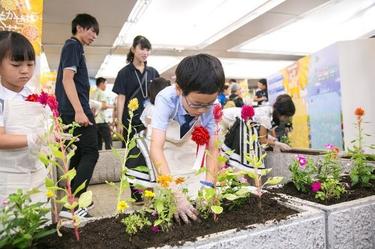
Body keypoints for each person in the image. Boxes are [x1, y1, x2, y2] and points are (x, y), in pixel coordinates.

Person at [150, 54, 225, 224]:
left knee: (195, 186)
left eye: (209, 104)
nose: (202, 110)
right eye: (196, 104)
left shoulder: (211, 107)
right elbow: (156, 148)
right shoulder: (166, 99)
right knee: (168, 196)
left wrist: (209, 189)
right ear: (179, 89)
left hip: (187, 141)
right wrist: (176, 194)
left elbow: (213, 149)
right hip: (165, 145)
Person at [55, 13, 99, 219]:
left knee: (81, 154)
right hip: (75, 110)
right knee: (91, 152)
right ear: (80, 27)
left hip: (74, 108)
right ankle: (74, 203)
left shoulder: (75, 48)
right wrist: (80, 111)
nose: (94, 36)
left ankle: (70, 204)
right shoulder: (73, 45)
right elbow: (67, 79)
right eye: (92, 31)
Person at [0, 31, 48, 204]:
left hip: (35, 172)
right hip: (7, 176)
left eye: (30, 64)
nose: (25, 71)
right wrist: (36, 138)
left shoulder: (33, 95)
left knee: (38, 219)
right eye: (16, 64)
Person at [222, 94, 295, 170]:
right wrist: (278, 144)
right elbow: (262, 140)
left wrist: (273, 141)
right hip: (225, 119)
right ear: (281, 113)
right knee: (221, 153)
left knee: (226, 155)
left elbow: (260, 133)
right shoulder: (266, 117)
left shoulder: (269, 111)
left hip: (231, 120)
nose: (286, 119)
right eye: (286, 116)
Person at [112, 35, 159, 146]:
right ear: (133, 49)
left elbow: (159, 97)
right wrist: (119, 122)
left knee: (150, 149)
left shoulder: (153, 72)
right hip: (130, 120)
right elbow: (121, 98)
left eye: (148, 50)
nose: (145, 53)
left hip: (150, 120)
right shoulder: (124, 73)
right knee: (130, 152)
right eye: (142, 49)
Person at [92, 77, 112, 150]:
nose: (105, 86)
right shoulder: (101, 92)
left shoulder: (93, 93)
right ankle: (110, 157)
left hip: (95, 121)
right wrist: (111, 106)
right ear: (101, 84)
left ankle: (99, 159)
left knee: (98, 143)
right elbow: (103, 105)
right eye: (105, 84)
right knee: (108, 141)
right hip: (102, 121)